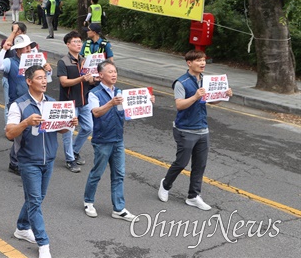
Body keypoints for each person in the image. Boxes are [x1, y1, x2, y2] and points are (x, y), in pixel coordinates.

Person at [6, 65, 77, 258]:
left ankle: (22, 227)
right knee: (35, 201)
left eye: (45, 77)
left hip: (49, 159)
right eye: (39, 78)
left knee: (35, 198)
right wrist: (26, 122)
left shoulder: (52, 103)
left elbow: (58, 129)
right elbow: (9, 133)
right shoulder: (18, 105)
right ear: (29, 81)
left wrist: (68, 124)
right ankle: (43, 243)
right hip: (29, 160)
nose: (44, 81)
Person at [158, 50, 233, 211]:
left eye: (204, 60)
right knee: (181, 162)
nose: (202, 63)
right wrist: (195, 97)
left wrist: (224, 95)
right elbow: (179, 105)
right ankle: (165, 185)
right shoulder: (181, 82)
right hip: (185, 129)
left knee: (200, 165)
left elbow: (211, 101)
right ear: (189, 63)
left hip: (202, 128)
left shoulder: (206, 80)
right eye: (199, 60)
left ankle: (193, 196)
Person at [84, 61, 154, 221]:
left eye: (115, 71)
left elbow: (130, 111)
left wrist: (147, 101)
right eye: (110, 72)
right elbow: (96, 113)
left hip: (117, 139)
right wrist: (110, 103)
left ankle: (119, 208)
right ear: (100, 75)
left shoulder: (120, 92)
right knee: (97, 172)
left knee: (119, 174)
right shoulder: (94, 93)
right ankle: (88, 201)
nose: (114, 74)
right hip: (102, 140)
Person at [0, 34, 51, 176]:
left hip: (35, 101)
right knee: (20, 134)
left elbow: (47, 80)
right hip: (18, 103)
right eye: (24, 47)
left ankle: (28, 160)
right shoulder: (10, 61)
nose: (28, 49)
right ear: (18, 50)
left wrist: (48, 70)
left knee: (32, 133)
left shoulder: (36, 62)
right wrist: (3, 50)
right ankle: (15, 162)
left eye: (29, 47)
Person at [57, 31, 95, 173]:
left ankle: (74, 150)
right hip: (69, 103)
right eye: (75, 42)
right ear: (68, 44)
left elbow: (90, 80)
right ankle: (69, 159)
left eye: (80, 42)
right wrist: (81, 79)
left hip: (84, 101)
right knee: (68, 131)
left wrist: (92, 78)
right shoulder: (63, 62)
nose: (79, 44)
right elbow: (64, 82)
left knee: (88, 127)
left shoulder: (85, 60)